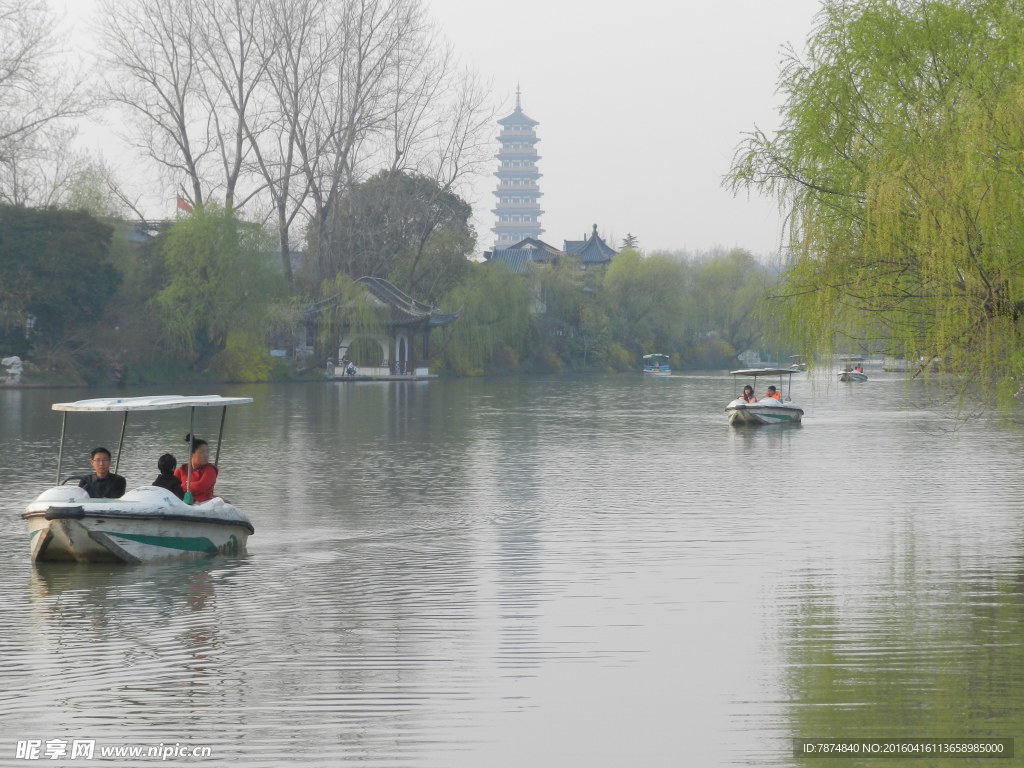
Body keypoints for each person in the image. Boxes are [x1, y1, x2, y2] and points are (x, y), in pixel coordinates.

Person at [174, 436, 218, 503]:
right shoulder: (182, 470)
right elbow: (172, 485)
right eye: (202, 452)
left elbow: (200, 486)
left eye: (207, 452)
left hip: (203, 505)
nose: (206, 455)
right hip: (183, 504)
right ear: (191, 454)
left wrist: (182, 486)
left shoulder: (210, 470)